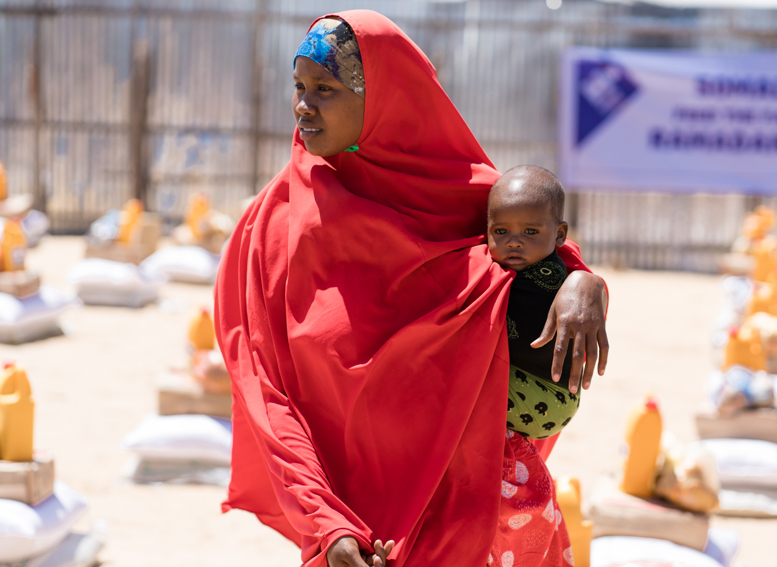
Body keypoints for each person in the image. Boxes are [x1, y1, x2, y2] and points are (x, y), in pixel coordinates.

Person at [214, 11, 608, 567]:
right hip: (361, 535)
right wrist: (326, 523)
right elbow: (267, 395)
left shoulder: (463, 195)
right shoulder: (270, 232)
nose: (304, 105)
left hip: (482, 515)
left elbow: (540, 248)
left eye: (326, 88)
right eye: (299, 86)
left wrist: (585, 281)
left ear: (387, 96)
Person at [487, 165, 582, 440]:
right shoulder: (535, 267)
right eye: (501, 231)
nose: (514, 242)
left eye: (530, 232)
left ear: (560, 234)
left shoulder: (547, 277)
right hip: (550, 398)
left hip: (542, 395)